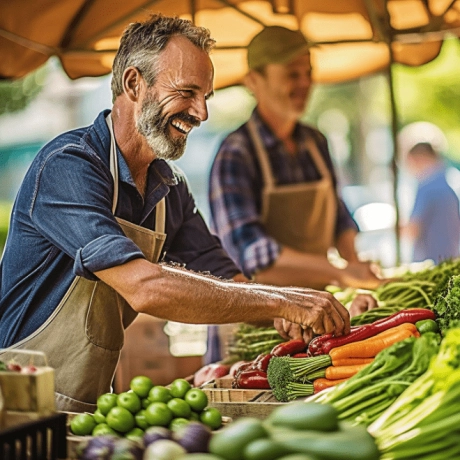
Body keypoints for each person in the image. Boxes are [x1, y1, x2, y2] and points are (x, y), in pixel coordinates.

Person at [0, 15, 350, 413]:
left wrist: (292, 313)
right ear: (134, 84)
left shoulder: (171, 187)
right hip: (15, 403)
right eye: (186, 92)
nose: (201, 113)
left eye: (207, 96)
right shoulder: (69, 167)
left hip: (91, 405)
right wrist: (281, 302)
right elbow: (144, 287)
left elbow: (228, 279)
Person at [208, 26, 382, 291]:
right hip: (256, 314)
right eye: (292, 74)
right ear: (254, 81)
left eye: (308, 73)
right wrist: (339, 271)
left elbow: (338, 217)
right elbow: (253, 253)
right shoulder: (236, 154)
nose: (304, 84)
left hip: (315, 306)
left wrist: (355, 264)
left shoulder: (316, 142)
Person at [402, 141, 460, 263]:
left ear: (419, 158)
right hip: (452, 258)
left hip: (430, 262)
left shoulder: (426, 185)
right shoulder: (451, 181)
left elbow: (413, 229)